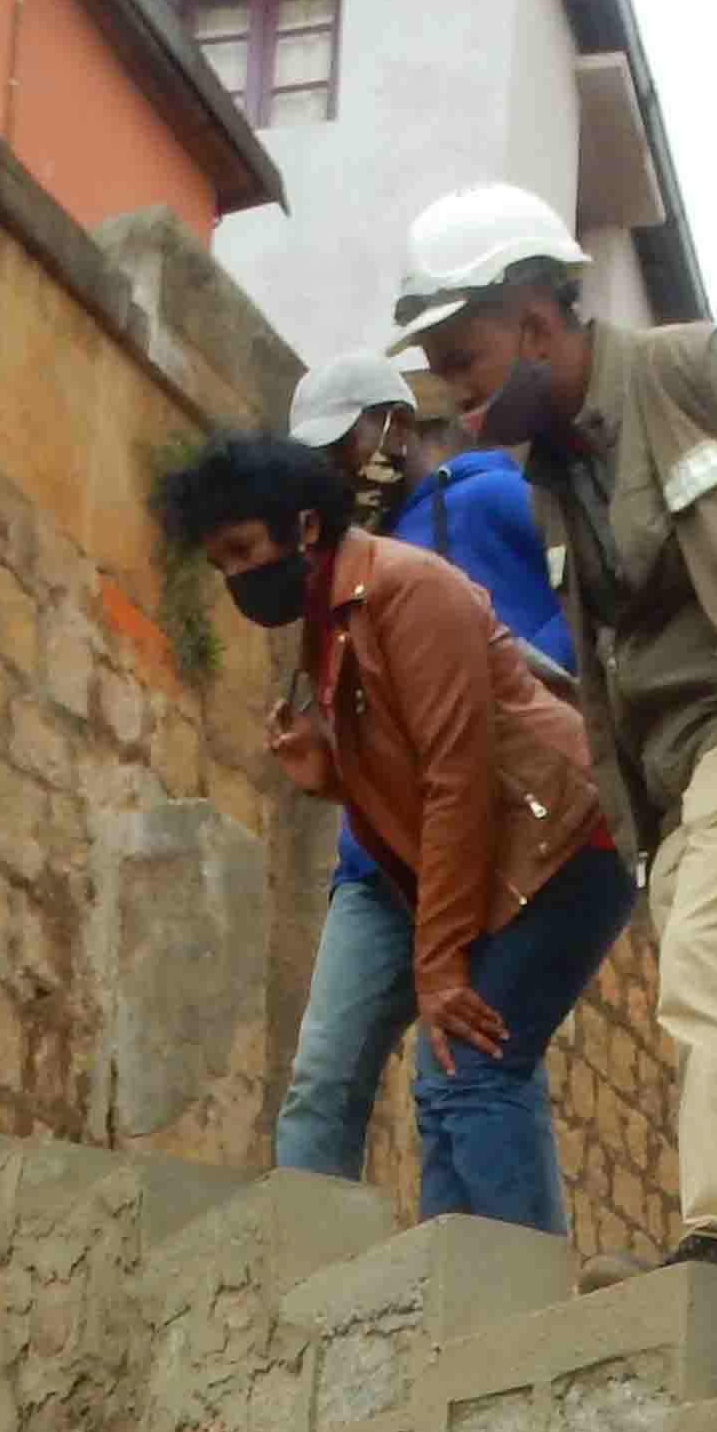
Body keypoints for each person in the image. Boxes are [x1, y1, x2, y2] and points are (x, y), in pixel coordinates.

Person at [387, 181, 717, 1283]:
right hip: (672, 779)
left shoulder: (700, 372)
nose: (457, 399)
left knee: (709, 963)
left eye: (464, 362)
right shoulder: (550, 475)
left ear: (536, 321)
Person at [158, 429, 633, 1232]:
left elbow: (459, 774)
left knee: (468, 1066)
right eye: (220, 566)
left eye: (243, 549)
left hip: (568, 845)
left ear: (305, 526)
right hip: (515, 849)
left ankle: (515, 1302)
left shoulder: (407, 589)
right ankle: (460, 1290)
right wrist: (329, 773)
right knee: (449, 1068)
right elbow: (417, 779)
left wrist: (440, 962)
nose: (237, 578)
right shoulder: (329, 621)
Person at [273, 347, 577, 1193]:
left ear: (397, 429)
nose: (335, 470)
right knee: (321, 1080)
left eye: (345, 445)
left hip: (487, 836)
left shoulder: (490, 500)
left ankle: (489, 1279)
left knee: (468, 1069)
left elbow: (590, 606)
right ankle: (299, 1285)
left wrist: (510, 668)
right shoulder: (333, 560)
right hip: (375, 861)